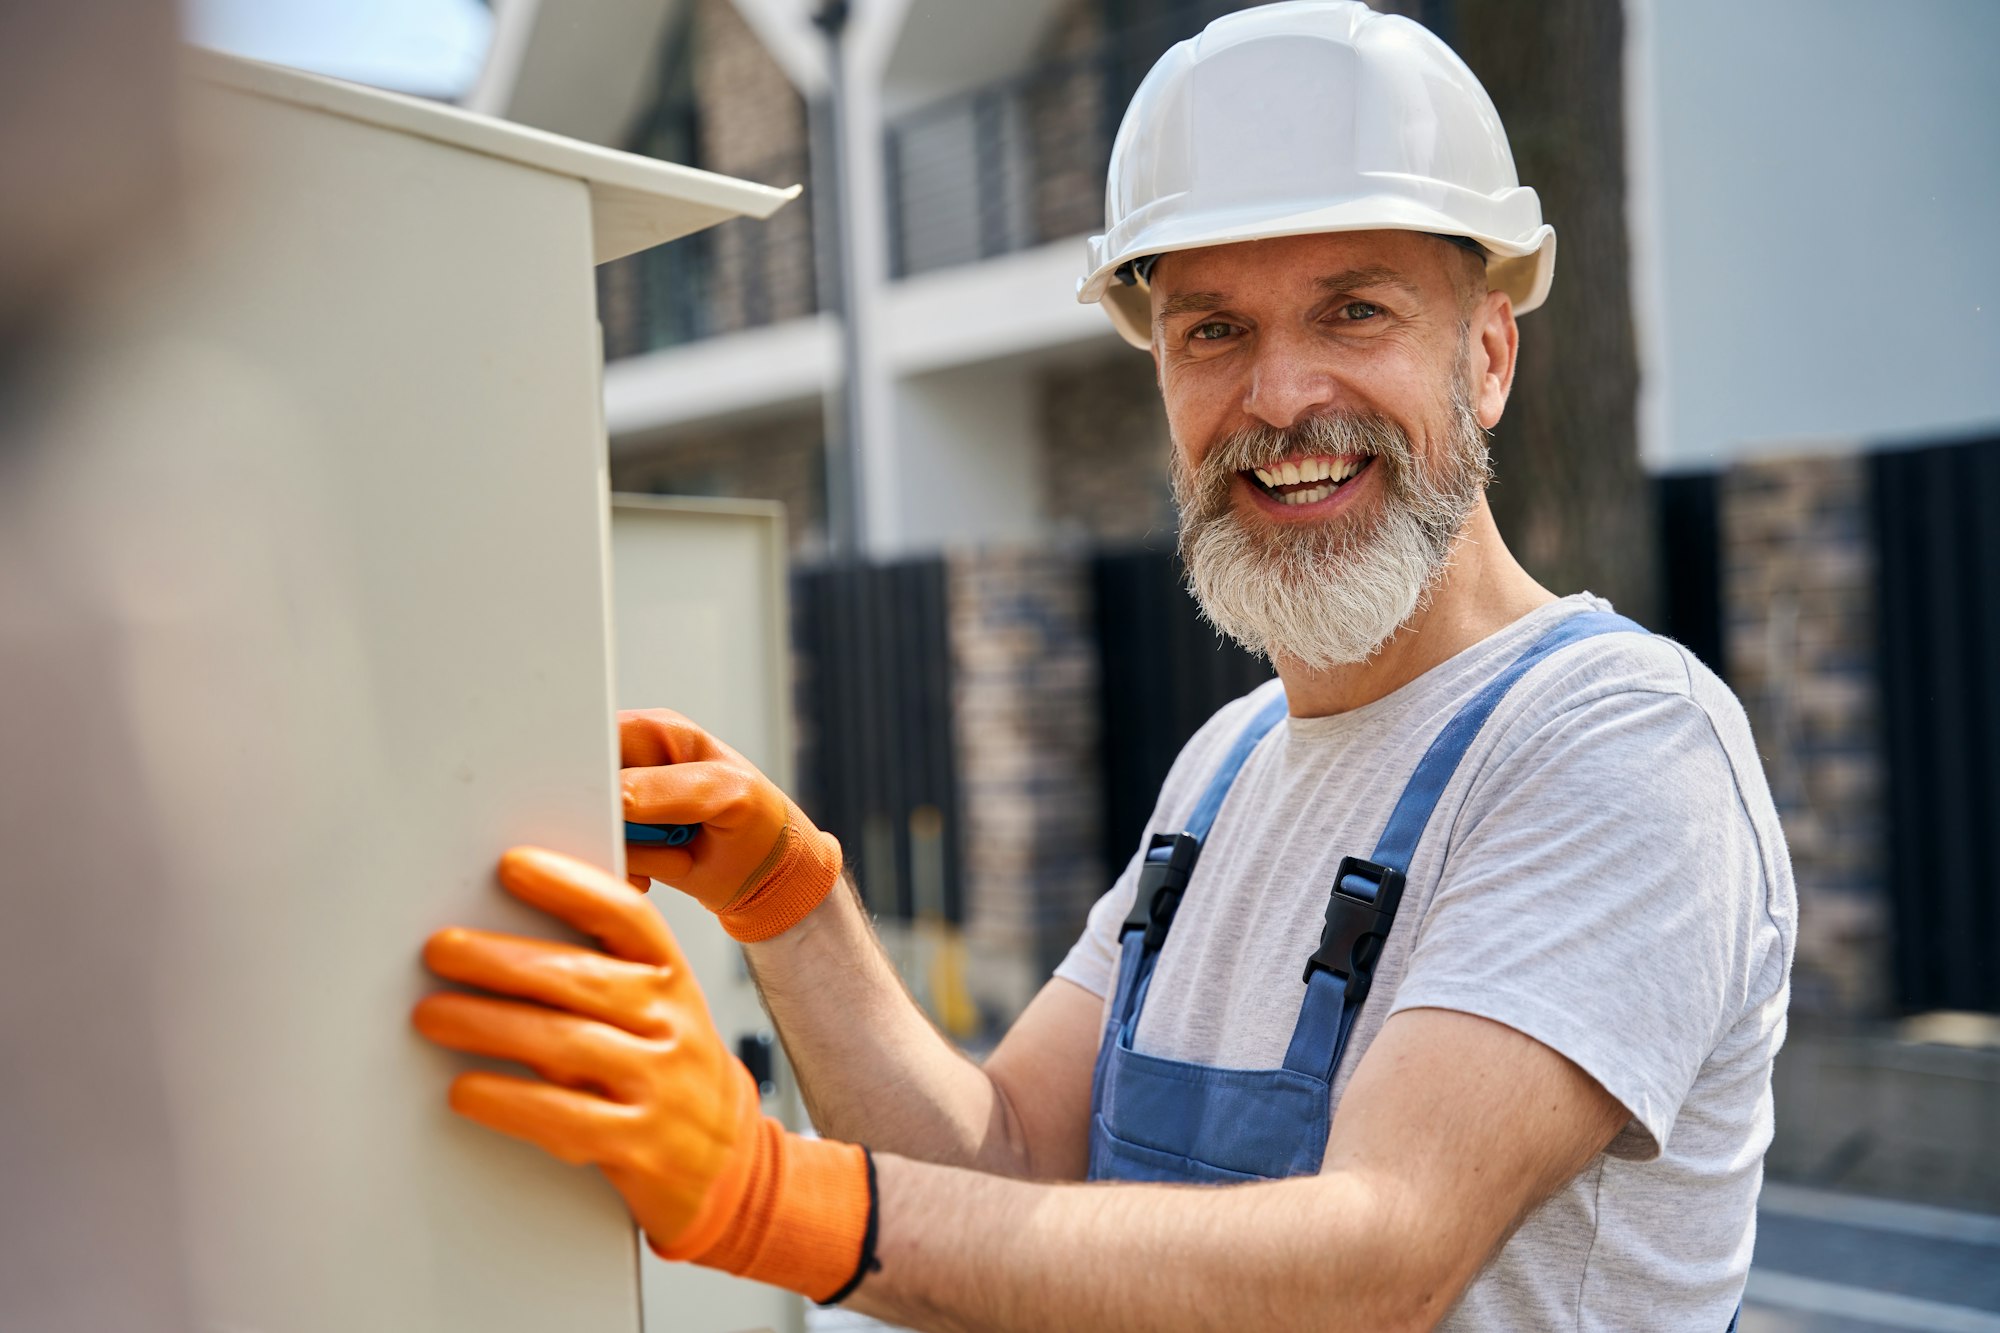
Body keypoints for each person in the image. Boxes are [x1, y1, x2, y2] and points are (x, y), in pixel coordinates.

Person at [413, 4, 1794, 1327]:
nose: (1280, 397)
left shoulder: (1618, 744)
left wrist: (764, 1198)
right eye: (1214, 330)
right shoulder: (1228, 765)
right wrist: (795, 906)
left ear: (1485, 357)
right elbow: (1009, 1164)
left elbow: (1380, 1264)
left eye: (1356, 312)